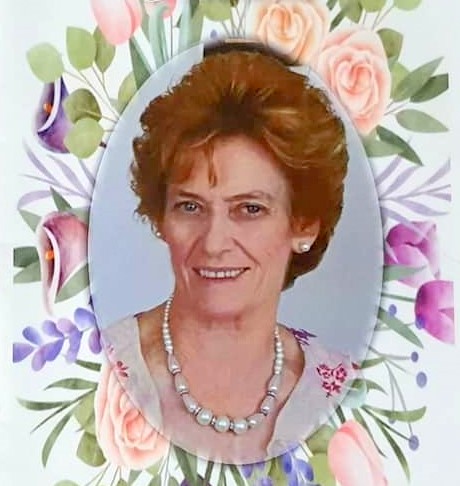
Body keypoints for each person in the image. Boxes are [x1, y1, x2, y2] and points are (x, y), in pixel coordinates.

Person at [101, 42, 356, 464]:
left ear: (303, 225)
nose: (214, 243)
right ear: (161, 218)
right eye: (190, 207)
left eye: (249, 209)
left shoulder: (346, 393)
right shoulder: (99, 368)